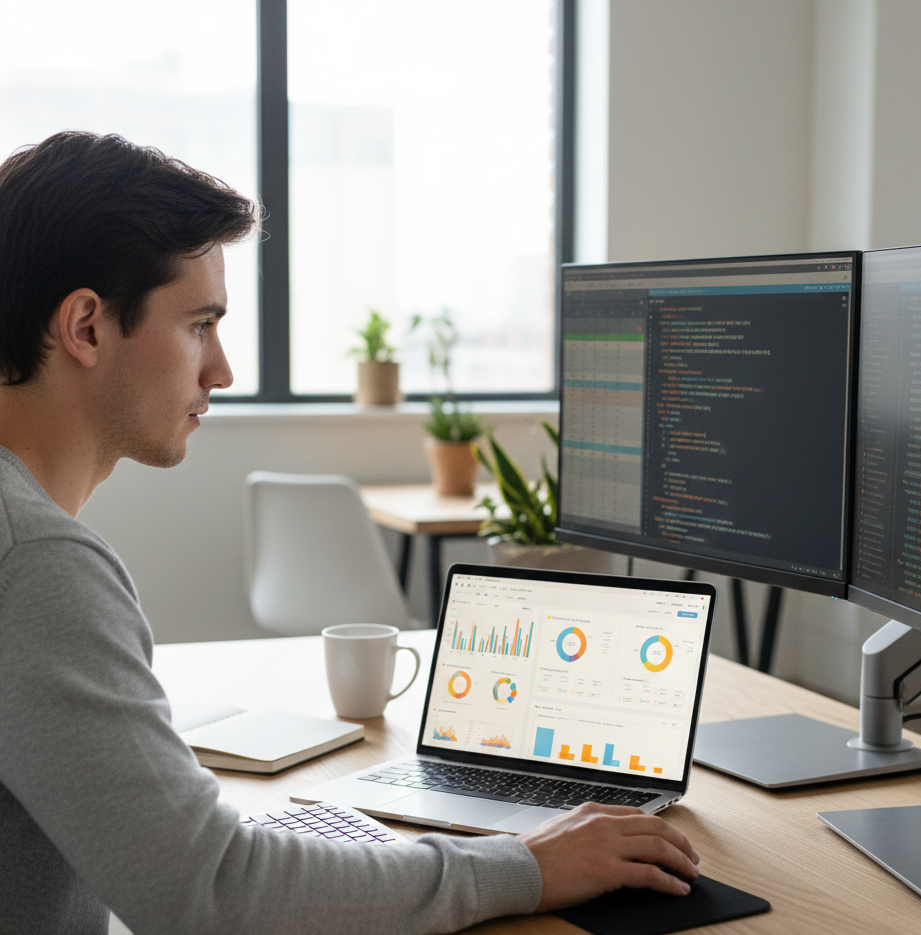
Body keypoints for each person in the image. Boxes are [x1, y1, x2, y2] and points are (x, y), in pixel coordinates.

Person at [0, 131, 700, 935]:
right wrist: (526, 867)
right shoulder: (36, 561)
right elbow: (209, 890)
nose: (221, 370)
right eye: (200, 325)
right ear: (86, 326)